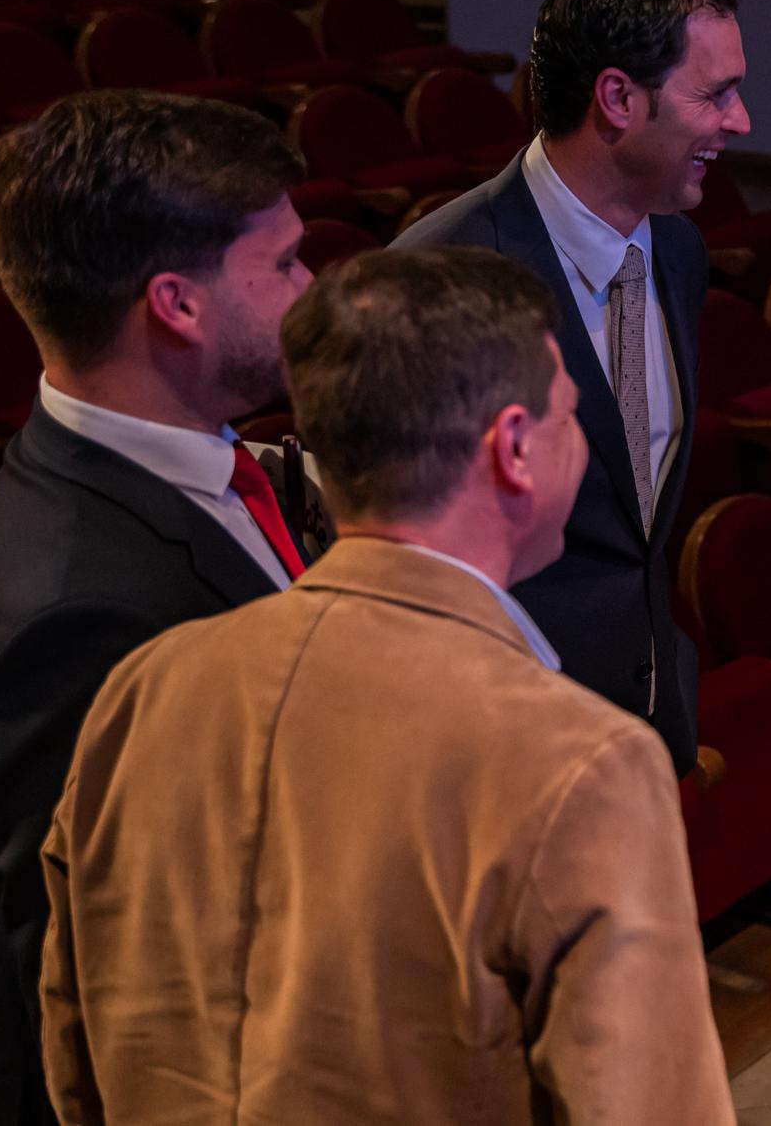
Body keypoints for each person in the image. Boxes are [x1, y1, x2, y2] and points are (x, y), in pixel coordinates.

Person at [40, 247, 734, 1125]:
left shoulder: (144, 690)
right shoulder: (582, 764)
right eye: (569, 414)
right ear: (514, 447)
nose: (583, 439)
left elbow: (71, 1053)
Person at [0, 90, 309, 1126]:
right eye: (286, 263)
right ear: (177, 303)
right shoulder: (76, 616)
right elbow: (104, 1004)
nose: (316, 286)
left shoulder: (209, 466)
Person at [397, 0, 749, 775]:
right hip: (506, 758)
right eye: (717, 94)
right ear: (619, 98)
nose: (741, 121)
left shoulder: (682, 251)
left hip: (647, 734)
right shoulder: (438, 275)